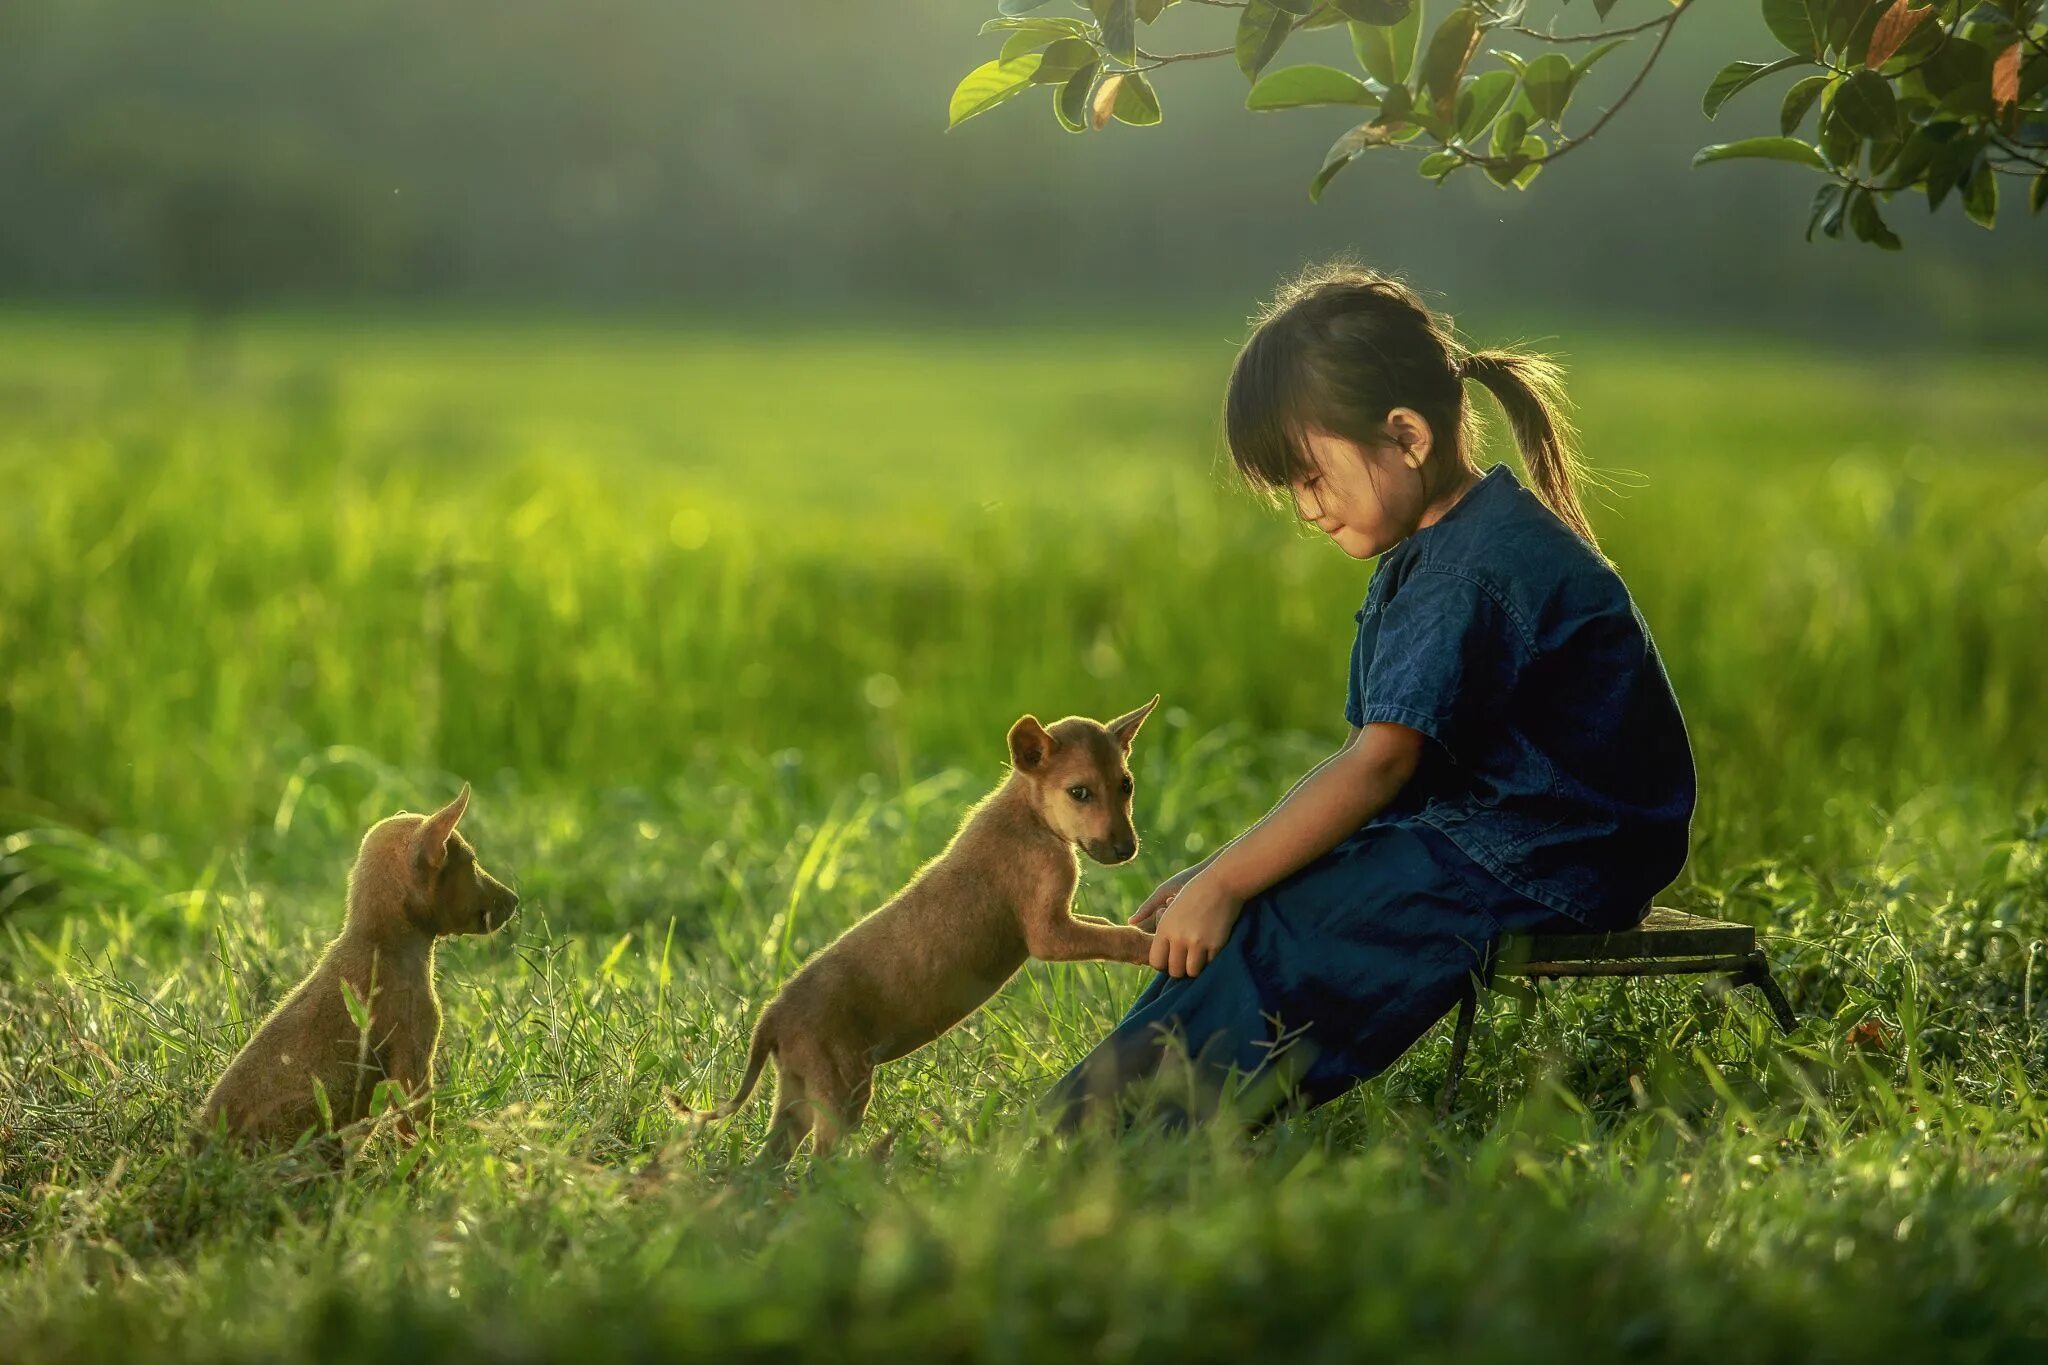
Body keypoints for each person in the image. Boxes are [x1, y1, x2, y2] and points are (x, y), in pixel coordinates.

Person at [1046, 263, 1697, 1130]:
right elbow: (1382, 761)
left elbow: (1379, 762)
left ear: (1407, 436)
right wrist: (1223, 876)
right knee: (1261, 909)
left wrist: (1228, 879)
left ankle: (1109, 1131)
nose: (1304, 507)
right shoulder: (1444, 547)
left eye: (1310, 476)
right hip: (1505, 830)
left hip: (1557, 850)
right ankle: (1097, 1118)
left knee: (1294, 937)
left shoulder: (1470, 563)